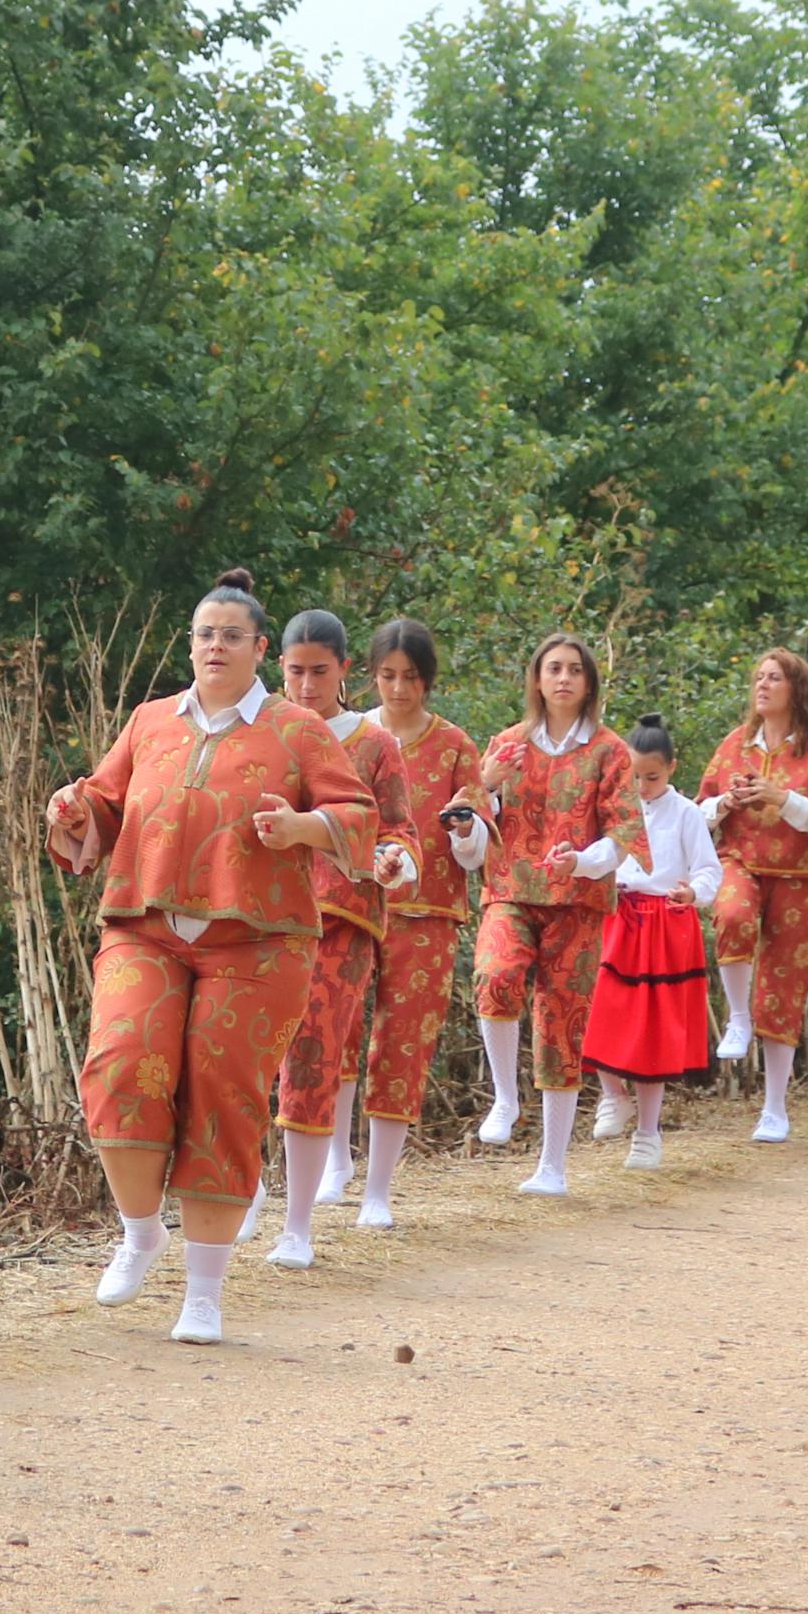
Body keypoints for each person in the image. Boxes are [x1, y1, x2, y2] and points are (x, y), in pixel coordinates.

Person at [45, 571, 383, 1342]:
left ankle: (205, 1289)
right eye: (204, 633)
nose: (216, 645)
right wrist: (71, 812)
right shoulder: (150, 720)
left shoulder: (299, 729)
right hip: (146, 926)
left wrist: (302, 828)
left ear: (260, 648)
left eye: (232, 635)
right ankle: (140, 1231)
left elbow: (356, 815)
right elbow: (101, 802)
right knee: (120, 1065)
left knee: (223, 1097)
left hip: (259, 944)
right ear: (189, 644)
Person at [467, 633, 650, 1197]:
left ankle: (552, 1166)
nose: (564, 678)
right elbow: (469, 821)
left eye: (574, 669)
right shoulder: (506, 743)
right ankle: (504, 1096)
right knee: (494, 975)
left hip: (577, 899)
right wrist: (487, 786)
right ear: (537, 679)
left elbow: (623, 831)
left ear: (589, 682)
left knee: (561, 1024)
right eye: (553, 668)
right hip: (511, 888)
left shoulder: (611, 751)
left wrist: (586, 859)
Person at [263, 609, 417, 1268]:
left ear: (344, 670)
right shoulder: (260, 733)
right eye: (294, 671)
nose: (305, 685)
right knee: (242, 1057)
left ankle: (296, 1223)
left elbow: (400, 831)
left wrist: (392, 861)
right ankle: (239, 1195)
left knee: (311, 1056)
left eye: (318, 672)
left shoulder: (375, 744)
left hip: (340, 921)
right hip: (258, 917)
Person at [344, 619, 488, 1228]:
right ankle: (332, 1162)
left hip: (427, 912)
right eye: (388, 676)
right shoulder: (352, 737)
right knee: (336, 1028)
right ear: (372, 676)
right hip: (352, 903)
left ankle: (379, 1188)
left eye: (410, 678)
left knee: (403, 1043)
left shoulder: (455, 744)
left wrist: (464, 830)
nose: (399, 689)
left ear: (427, 680)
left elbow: (479, 842)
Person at [700, 648, 808, 1143]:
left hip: (802, 876)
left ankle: (774, 1107)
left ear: (797, 689)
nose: (762, 685)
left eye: (774, 678)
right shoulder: (734, 744)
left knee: (784, 986)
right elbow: (696, 808)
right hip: (740, 859)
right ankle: (737, 1019)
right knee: (732, 913)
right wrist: (724, 803)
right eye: (758, 678)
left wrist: (781, 798)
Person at [573, 717, 722, 1166]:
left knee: (654, 1032)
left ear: (672, 768)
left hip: (664, 923)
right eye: (634, 776)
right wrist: (579, 866)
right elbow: (601, 856)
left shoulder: (686, 813)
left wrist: (693, 894)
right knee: (594, 1008)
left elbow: (709, 870)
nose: (642, 785)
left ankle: (648, 1132)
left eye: (652, 777)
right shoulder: (616, 809)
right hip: (617, 915)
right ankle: (613, 1093)